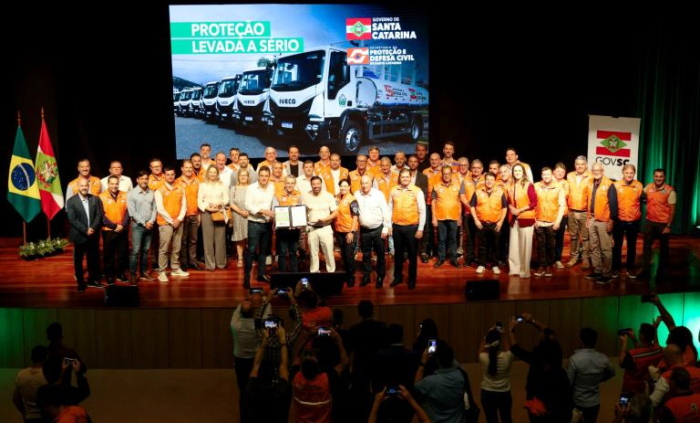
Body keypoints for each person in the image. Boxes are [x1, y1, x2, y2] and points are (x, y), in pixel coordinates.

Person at [509, 314, 573, 423]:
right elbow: (548, 333)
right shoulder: (556, 354)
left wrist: (511, 329)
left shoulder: (536, 359)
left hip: (538, 407)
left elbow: (516, 349)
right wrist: (532, 321)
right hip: (558, 408)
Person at [231, 291, 270, 423]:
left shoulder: (235, 325)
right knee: (256, 389)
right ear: (254, 312)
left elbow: (238, 310)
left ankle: (244, 419)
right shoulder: (258, 326)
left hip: (240, 361)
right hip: (255, 361)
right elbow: (267, 310)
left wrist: (246, 300)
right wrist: (263, 298)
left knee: (243, 390)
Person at [567, 328, 616, 423]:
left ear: (581, 341)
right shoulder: (603, 358)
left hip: (578, 402)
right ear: (595, 342)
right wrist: (601, 379)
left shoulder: (574, 359)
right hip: (594, 403)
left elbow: (569, 382)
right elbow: (612, 373)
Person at [414, 340, 468, 423]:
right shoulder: (461, 376)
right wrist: (447, 355)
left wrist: (423, 362)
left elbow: (416, 385)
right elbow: (456, 364)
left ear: (437, 360)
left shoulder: (430, 382)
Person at [389, 169, 426, 289]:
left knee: (412, 255)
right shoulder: (393, 190)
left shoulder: (417, 191)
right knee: (398, 254)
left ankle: (412, 279)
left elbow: (422, 211)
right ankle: (398, 277)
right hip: (397, 227)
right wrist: (389, 225)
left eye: (407, 177)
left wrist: (420, 229)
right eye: (402, 177)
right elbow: (390, 208)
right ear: (399, 178)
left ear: (410, 178)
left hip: (412, 228)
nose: (405, 179)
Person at [66, 178, 103, 291]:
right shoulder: (71, 201)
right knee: (78, 260)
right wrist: (85, 230)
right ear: (78, 186)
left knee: (93, 259)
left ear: (89, 186)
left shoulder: (95, 199)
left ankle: (93, 280)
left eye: (86, 186)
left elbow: (99, 214)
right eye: (82, 186)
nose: (84, 188)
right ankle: (81, 283)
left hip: (93, 235)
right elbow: (72, 219)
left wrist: (92, 228)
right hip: (79, 235)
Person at [638, 168, 676, 280]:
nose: (658, 178)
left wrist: (668, 226)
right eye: (656, 176)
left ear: (664, 177)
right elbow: (642, 196)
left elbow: (672, 211)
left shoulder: (670, 191)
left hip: (663, 224)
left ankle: (662, 272)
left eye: (661, 176)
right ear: (653, 176)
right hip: (650, 222)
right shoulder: (648, 187)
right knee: (646, 247)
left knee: (663, 249)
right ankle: (646, 270)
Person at [155, 166, 190, 283]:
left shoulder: (180, 188)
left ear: (175, 175)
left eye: (172, 174)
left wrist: (179, 219)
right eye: (168, 174)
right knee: (164, 249)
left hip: (178, 222)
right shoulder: (159, 190)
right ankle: (162, 272)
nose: (170, 177)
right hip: (165, 223)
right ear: (164, 176)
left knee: (177, 247)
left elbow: (184, 205)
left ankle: (175, 268)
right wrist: (171, 221)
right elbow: (160, 208)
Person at [586, 162, 618, 284]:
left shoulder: (609, 184)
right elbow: (590, 201)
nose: (596, 172)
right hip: (593, 219)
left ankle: (607, 274)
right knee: (594, 247)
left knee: (606, 249)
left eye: (598, 170)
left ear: (603, 171)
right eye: (594, 170)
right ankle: (598, 270)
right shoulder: (591, 183)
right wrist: (588, 218)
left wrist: (612, 220)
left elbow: (613, 204)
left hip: (604, 221)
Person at [356, 175, 391, 287]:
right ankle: (367, 275)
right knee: (366, 254)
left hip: (378, 229)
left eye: (366, 183)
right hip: (364, 230)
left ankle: (380, 276)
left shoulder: (378, 194)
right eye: (362, 183)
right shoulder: (357, 194)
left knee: (380, 254)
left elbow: (385, 211)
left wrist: (386, 228)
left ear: (371, 183)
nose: (364, 185)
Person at [470, 172, 507, 276]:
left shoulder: (500, 192)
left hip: (495, 224)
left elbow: (504, 208)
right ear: (484, 181)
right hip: (481, 224)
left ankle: (495, 265)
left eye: (491, 180)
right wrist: (476, 220)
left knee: (495, 245)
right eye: (487, 180)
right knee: (482, 245)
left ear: (495, 181)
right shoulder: (477, 192)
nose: (489, 181)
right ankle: (482, 264)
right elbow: (472, 206)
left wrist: (500, 222)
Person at [244, 166, 276, 288]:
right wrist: (263, 211)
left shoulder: (272, 187)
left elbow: (272, 204)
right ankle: (246, 279)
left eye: (266, 176)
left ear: (269, 177)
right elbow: (248, 205)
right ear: (258, 176)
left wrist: (273, 215)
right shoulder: (251, 188)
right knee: (251, 252)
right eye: (262, 175)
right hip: (254, 224)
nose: (264, 178)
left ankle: (261, 274)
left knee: (264, 251)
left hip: (267, 224)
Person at [533, 167, 566, 277]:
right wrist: (534, 219)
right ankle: (541, 265)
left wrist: (558, 222)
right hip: (539, 221)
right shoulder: (536, 186)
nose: (546, 177)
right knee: (540, 245)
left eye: (548, 174)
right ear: (541, 176)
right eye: (544, 175)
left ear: (552, 175)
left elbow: (562, 205)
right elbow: (532, 203)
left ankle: (548, 266)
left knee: (550, 245)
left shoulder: (559, 188)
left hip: (552, 222)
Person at [506, 164, 537, 278]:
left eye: (519, 171)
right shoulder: (510, 185)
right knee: (514, 245)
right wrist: (511, 208)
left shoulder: (529, 185)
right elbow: (508, 201)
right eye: (515, 171)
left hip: (526, 218)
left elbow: (534, 202)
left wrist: (519, 210)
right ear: (513, 172)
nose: (517, 173)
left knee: (525, 246)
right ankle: (514, 269)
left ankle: (524, 271)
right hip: (514, 219)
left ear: (523, 172)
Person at [612, 164, 643, 278]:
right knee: (617, 246)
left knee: (632, 246)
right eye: (627, 173)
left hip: (633, 221)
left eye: (631, 173)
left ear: (634, 173)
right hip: (619, 220)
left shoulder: (639, 185)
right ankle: (616, 268)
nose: (629, 175)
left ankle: (630, 268)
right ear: (623, 173)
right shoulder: (616, 185)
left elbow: (641, 201)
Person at [302, 176, 338, 273]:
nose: (316, 186)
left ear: (321, 184)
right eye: (314, 184)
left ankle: (331, 272)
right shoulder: (306, 197)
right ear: (311, 185)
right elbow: (302, 212)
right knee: (313, 254)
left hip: (325, 227)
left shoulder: (328, 196)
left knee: (329, 253)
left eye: (318, 183)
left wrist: (325, 219)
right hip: (312, 229)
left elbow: (335, 212)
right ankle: (314, 272)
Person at [99, 175, 130, 284]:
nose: (114, 186)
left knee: (122, 253)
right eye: (112, 184)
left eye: (116, 183)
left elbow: (128, 212)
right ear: (108, 184)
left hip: (122, 229)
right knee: (109, 254)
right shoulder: (101, 197)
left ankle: (120, 274)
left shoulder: (125, 195)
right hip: (108, 230)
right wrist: (114, 226)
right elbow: (101, 216)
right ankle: (109, 275)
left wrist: (123, 225)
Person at [127, 171, 157, 283]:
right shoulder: (131, 194)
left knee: (145, 250)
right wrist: (145, 223)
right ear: (137, 180)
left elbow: (155, 208)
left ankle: (144, 272)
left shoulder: (151, 192)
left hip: (150, 226)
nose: (144, 181)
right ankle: (133, 275)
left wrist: (151, 221)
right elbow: (132, 212)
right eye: (142, 179)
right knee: (135, 251)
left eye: (146, 179)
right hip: (137, 226)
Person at [198, 165, 229, 271]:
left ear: (217, 174)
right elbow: (199, 200)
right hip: (207, 213)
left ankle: (221, 263)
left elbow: (226, 199)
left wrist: (219, 203)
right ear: (208, 173)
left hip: (219, 213)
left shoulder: (223, 185)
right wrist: (207, 207)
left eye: (214, 172)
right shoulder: (202, 185)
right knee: (208, 240)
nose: (212, 174)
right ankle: (210, 265)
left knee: (220, 240)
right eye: (210, 172)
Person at [479, 328, 514, 423]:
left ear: (487, 343)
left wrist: (487, 334)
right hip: (504, 394)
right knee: (507, 419)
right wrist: (504, 336)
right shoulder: (508, 357)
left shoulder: (483, 357)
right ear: (499, 343)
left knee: (491, 420)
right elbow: (509, 349)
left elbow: (481, 350)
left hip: (487, 394)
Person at [619, 323, 663, 395]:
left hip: (632, 388)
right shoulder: (658, 349)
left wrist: (624, 343)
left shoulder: (633, 355)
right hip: (648, 386)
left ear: (641, 335)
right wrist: (634, 339)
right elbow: (644, 351)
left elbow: (621, 362)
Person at [175, 159, 202, 271]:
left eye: (190, 167)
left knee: (193, 240)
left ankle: (193, 261)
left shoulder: (197, 181)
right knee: (183, 240)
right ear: (182, 169)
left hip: (194, 214)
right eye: (186, 167)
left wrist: (199, 214)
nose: (189, 169)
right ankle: (183, 263)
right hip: (182, 216)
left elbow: (200, 198)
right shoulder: (177, 182)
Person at [433, 165, 462, 268]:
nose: (446, 176)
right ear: (442, 174)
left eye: (448, 173)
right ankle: (441, 258)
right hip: (440, 217)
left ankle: (453, 259)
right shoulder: (436, 186)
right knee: (441, 239)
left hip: (454, 217)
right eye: (444, 173)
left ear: (451, 174)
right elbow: (433, 202)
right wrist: (434, 217)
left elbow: (459, 202)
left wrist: (459, 217)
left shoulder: (458, 185)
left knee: (453, 239)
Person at [566, 156, 593, 269]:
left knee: (586, 237)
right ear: (575, 165)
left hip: (585, 212)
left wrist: (590, 214)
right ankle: (574, 257)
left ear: (586, 165)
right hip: (571, 211)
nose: (580, 166)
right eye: (578, 164)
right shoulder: (569, 175)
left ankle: (586, 259)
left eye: (582, 164)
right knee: (573, 236)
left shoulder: (591, 176)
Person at [274, 175, 302, 272]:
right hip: (282, 229)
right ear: (284, 183)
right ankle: (282, 275)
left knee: (293, 253)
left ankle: (294, 274)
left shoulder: (299, 195)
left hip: (295, 230)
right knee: (282, 253)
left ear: (295, 184)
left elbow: (301, 211)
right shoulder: (277, 195)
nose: (290, 185)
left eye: (292, 183)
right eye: (288, 183)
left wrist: (298, 223)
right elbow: (274, 212)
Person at [13, 345, 48, 423]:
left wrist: (24, 413)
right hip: (45, 417)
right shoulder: (47, 375)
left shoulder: (21, 375)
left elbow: (15, 398)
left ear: (32, 358)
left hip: (29, 417)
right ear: (45, 358)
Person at [334, 178, 359, 286]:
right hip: (339, 230)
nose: (343, 188)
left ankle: (351, 277)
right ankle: (346, 274)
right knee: (343, 255)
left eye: (345, 186)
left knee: (349, 256)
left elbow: (355, 216)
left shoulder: (352, 200)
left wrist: (351, 232)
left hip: (349, 231)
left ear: (349, 187)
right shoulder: (337, 197)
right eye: (341, 186)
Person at [408, 155, 431, 263]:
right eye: (411, 161)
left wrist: (417, 203)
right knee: (408, 228)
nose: (413, 163)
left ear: (418, 163)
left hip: (420, 205)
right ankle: (407, 251)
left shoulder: (423, 177)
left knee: (424, 227)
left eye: (415, 161)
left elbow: (425, 192)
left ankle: (423, 251)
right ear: (408, 163)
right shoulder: (404, 175)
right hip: (407, 206)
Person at [230, 169, 250, 268]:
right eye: (241, 175)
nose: (243, 177)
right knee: (240, 238)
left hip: (250, 215)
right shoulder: (234, 188)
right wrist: (241, 212)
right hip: (238, 215)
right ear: (238, 177)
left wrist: (249, 212)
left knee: (250, 237)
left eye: (245, 175)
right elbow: (231, 203)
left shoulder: (251, 188)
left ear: (248, 177)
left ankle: (250, 258)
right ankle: (240, 258)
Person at [552, 163, 569, 269]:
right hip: (550, 214)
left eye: (562, 172)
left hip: (562, 214)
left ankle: (557, 259)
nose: (560, 173)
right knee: (548, 238)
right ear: (553, 172)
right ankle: (548, 260)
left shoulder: (566, 183)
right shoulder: (548, 180)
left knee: (559, 238)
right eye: (558, 171)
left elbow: (567, 197)